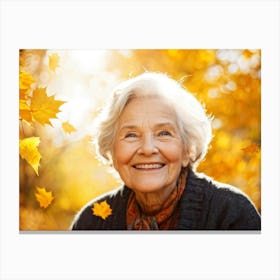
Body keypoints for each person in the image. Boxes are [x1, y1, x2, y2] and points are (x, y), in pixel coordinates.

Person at [70, 72, 261, 230]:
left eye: (163, 133)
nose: (147, 149)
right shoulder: (92, 222)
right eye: (131, 135)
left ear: (187, 149)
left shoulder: (231, 213)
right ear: (112, 150)